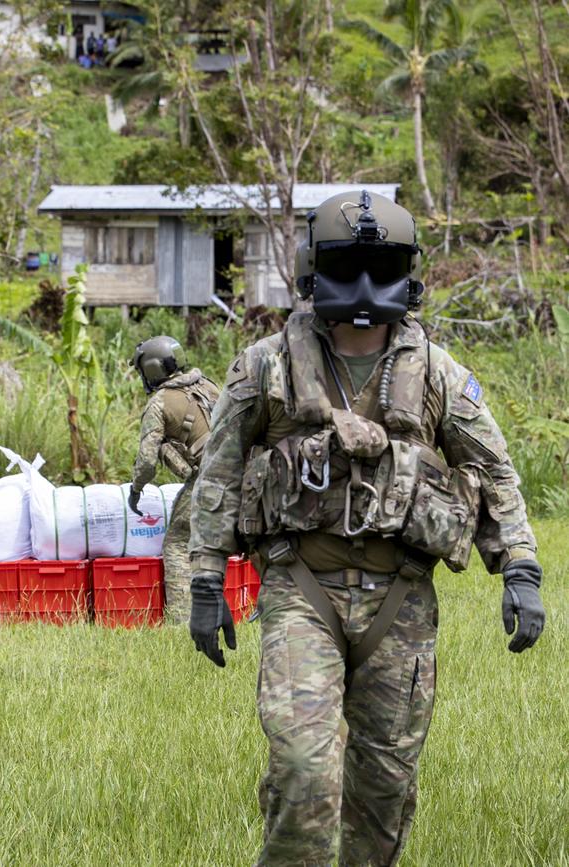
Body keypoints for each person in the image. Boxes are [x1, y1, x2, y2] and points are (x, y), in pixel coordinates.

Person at [188, 190, 545, 867]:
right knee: (302, 770)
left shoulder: (436, 373)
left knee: (386, 789)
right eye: (345, 264)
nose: (360, 285)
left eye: (376, 266)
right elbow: (219, 473)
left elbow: (494, 470)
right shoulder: (267, 366)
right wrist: (206, 578)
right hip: (301, 587)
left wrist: (519, 568)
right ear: (311, 268)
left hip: (400, 598)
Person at [129, 336, 220, 624]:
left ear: (153, 370)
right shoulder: (208, 385)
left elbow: (146, 461)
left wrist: (136, 489)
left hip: (209, 480)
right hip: (244, 472)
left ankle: (181, 622)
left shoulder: (159, 403)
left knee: (178, 543)